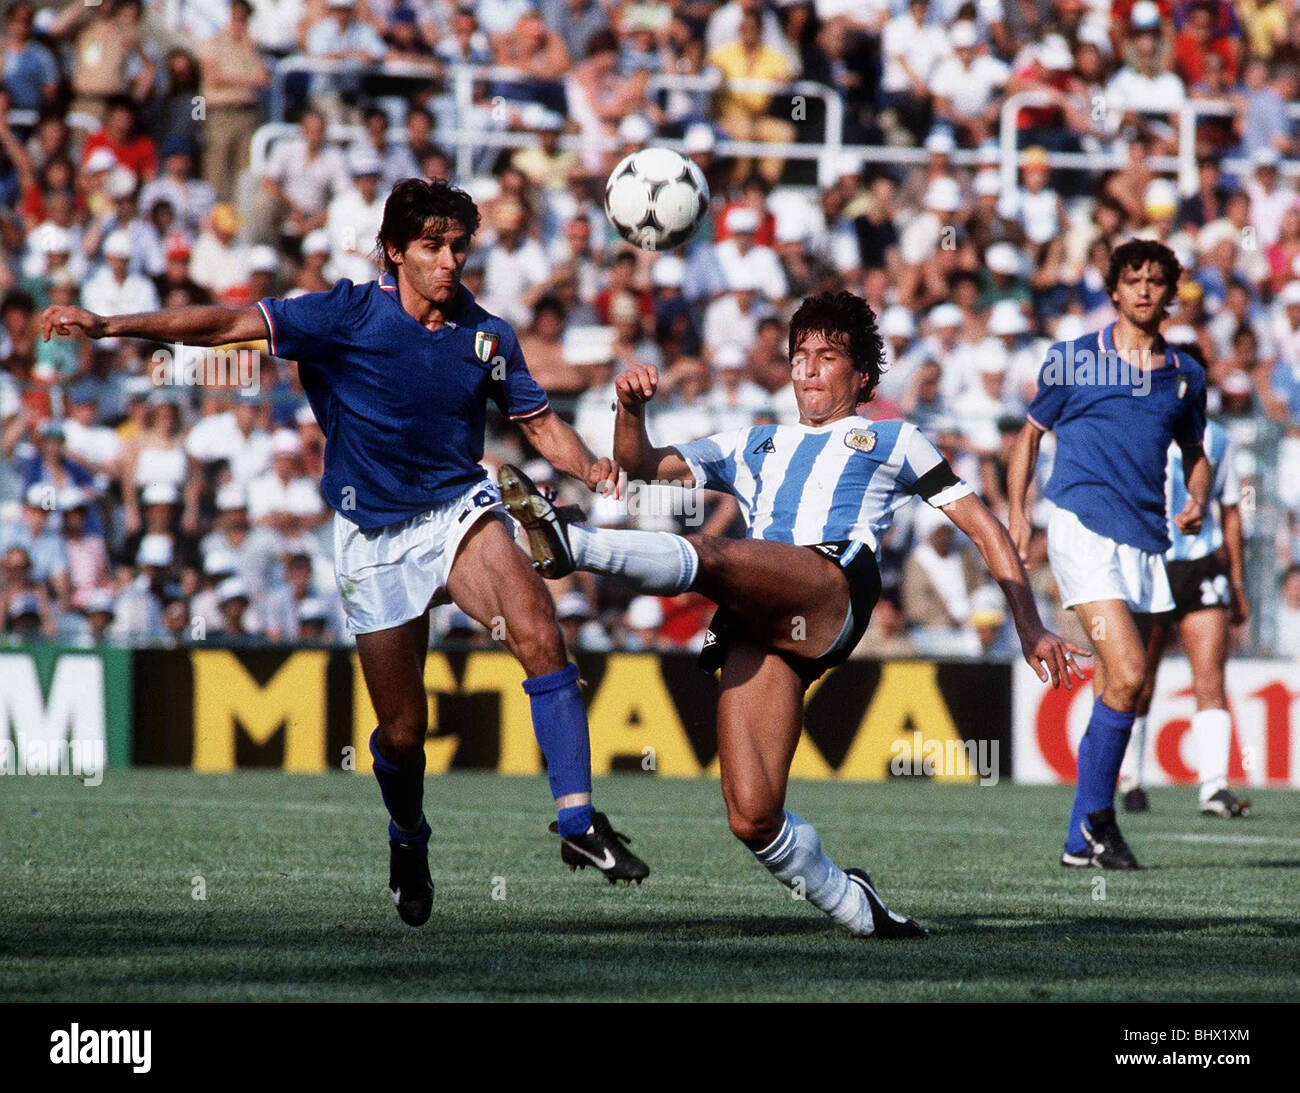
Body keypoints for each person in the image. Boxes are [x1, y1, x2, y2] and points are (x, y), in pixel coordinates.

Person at [39, 179, 649, 929]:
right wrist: (110, 326)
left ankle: (577, 820)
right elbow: (228, 323)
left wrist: (590, 467)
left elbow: (540, 422)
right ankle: (408, 837)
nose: (449, 260)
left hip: (458, 509)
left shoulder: (487, 334)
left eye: (458, 245)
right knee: (402, 731)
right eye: (431, 246)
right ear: (395, 251)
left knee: (540, 631)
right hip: (373, 536)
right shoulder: (345, 312)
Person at [499, 290, 1086, 939]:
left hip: (832, 584)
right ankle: (859, 909)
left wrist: (1029, 624)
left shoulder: (895, 438)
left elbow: (984, 527)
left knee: (716, 552)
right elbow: (639, 466)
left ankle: (572, 544)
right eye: (799, 355)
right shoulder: (755, 441)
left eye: (825, 356)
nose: (806, 368)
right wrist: (629, 410)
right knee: (752, 815)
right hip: (764, 614)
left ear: (861, 375)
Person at [1007, 239, 1210, 871]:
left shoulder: (1185, 374)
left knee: (1125, 685)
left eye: (1156, 281)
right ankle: (1099, 823)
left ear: (1169, 292)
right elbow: (1031, 434)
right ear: (1114, 290)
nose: (1145, 290)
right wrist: (1018, 510)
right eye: (1133, 279)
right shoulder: (1073, 360)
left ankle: (1080, 841)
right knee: (1124, 671)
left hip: (1148, 537)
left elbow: (1196, 452)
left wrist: (1197, 495)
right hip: (1081, 524)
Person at [1121, 419, 1251, 818]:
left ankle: (1214, 787)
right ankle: (1131, 779)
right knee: (1139, 679)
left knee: (1210, 677)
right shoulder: (1135, 425)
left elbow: (1231, 509)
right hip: (1150, 559)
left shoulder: (1218, 437)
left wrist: (1237, 580)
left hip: (1200, 563)